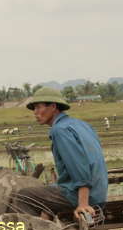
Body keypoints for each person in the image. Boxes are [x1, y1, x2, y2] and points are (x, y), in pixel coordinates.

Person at [13, 87, 108, 220]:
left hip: (84, 196)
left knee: (23, 196)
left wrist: (83, 204)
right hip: (100, 192)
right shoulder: (81, 125)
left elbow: (78, 166)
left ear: (53, 106)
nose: (35, 112)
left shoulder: (59, 130)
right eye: (34, 108)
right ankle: (47, 222)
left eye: (38, 107)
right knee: (49, 189)